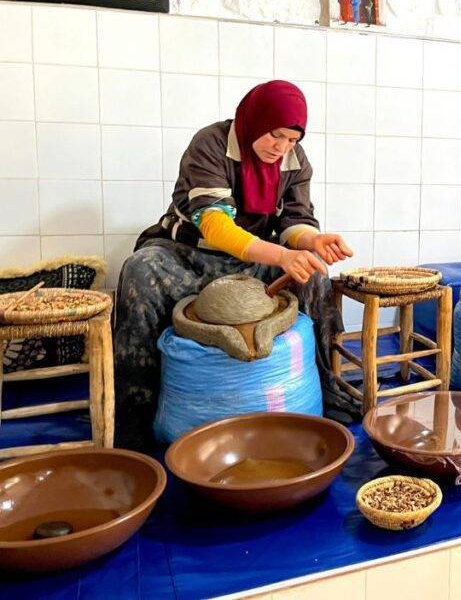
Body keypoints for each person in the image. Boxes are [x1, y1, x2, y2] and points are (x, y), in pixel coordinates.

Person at [114, 80, 355, 449]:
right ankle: (136, 414)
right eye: (275, 135)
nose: (282, 147)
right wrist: (281, 255)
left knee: (314, 277)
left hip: (252, 265)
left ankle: (325, 386)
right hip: (189, 256)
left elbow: (295, 220)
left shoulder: (295, 159)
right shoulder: (210, 143)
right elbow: (214, 223)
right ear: (255, 121)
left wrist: (311, 241)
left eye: (292, 139)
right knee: (139, 270)